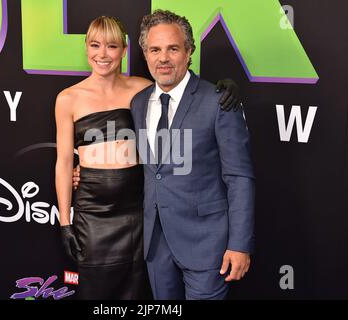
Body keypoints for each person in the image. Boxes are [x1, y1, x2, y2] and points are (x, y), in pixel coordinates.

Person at [57, 15, 241, 299]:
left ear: (125, 50)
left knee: (136, 292)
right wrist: (65, 221)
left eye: (112, 46)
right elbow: (64, 162)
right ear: (85, 47)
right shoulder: (69, 98)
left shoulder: (142, 89)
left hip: (136, 213)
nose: (103, 54)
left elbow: (186, 95)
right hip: (93, 213)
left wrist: (225, 88)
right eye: (95, 45)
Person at [130, 10, 256, 300]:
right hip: (155, 245)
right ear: (145, 54)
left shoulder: (218, 102)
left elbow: (239, 178)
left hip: (207, 244)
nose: (163, 58)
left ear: (188, 52)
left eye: (173, 49)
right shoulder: (138, 103)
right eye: (155, 49)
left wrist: (239, 244)